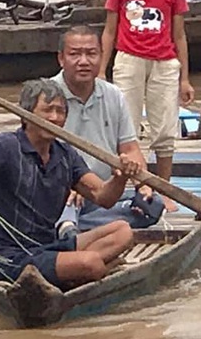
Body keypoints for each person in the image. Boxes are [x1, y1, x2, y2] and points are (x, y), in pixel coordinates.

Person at [0, 74, 140, 289]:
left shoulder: (64, 154)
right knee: (91, 262)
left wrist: (120, 177)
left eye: (60, 111)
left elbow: (104, 197)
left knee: (123, 231)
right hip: (9, 258)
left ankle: (71, 271)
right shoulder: (6, 147)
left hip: (49, 247)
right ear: (25, 115)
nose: (55, 118)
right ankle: (88, 270)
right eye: (47, 110)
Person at [51, 26, 178, 239]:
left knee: (151, 206)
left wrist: (142, 185)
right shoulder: (48, 95)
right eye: (75, 54)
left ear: (101, 57)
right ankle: (72, 225)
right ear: (61, 59)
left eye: (91, 54)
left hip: (105, 193)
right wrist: (67, 187)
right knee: (63, 205)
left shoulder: (113, 95)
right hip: (65, 192)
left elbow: (130, 148)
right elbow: (37, 155)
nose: (83, 61)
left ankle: (78, 228)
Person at [99, 0, 195, 182]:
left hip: (164, 63)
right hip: (128, 60)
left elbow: (179, 36)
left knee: (164, 129)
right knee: (125, 124)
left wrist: (184, 78)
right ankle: (129, 182)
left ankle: (163, 187)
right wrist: (101, 70)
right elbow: (109, 32)